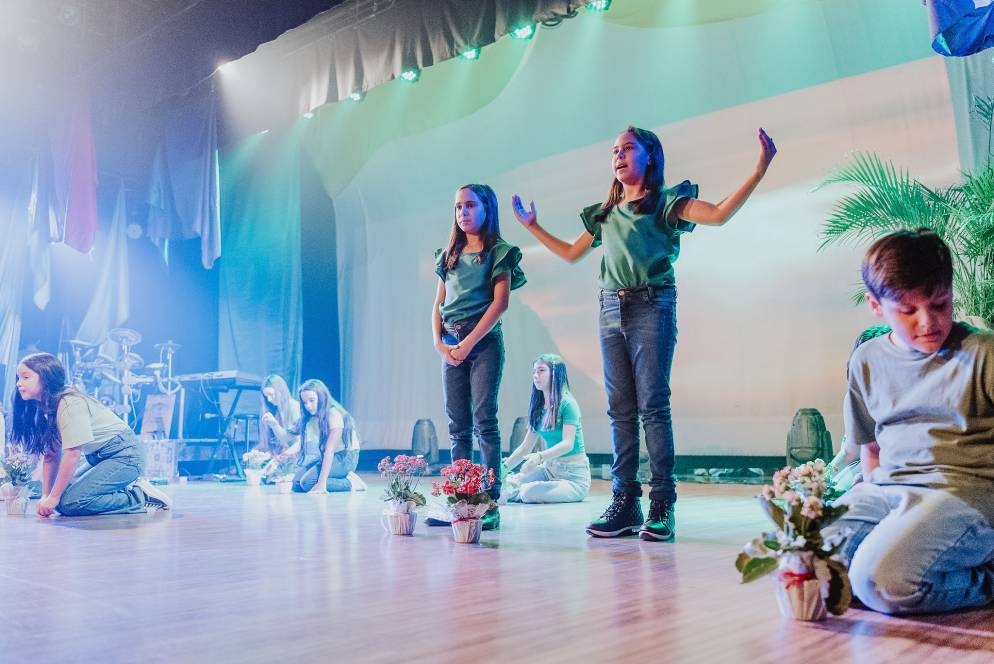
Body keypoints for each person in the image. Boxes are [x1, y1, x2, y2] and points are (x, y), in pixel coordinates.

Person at [512, 125, 776, 540]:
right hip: (609, 308)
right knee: (620, 409)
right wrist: (533, 225)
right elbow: (571, 253)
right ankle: (625, 502)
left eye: (627, 148)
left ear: (650, 155)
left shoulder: (668, 202)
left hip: (652, 305)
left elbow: (719, 214)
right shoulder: (605, 212)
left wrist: (759, 169)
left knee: (652, 406)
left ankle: (662, 504)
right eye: (614, 150)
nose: (618, 156)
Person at [825, 229, 994, 614]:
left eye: (940, 304)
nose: (928, 322)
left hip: (965, 494)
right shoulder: (866, 360)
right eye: (908, 310)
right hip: (888, 491)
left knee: (881, 582)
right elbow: (870, 450)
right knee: (805, 560)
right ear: (876, 306)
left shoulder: (984, 354)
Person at [431, 183, 526, 530]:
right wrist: (440, 344)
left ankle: (489, 502)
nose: (463, 212)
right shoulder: (448, 254)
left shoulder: (498, 252)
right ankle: (461, 500)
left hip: (482, 343)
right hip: (452, 343)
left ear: (487, 208)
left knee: (484, 420)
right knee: (458, 426)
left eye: (470, 205)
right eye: (458, 207)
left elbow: (500, 303)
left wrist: (469, 343)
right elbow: (438, 305)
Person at [9, 352, 171, 517]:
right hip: (99, 458)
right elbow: (51, 455)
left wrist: (53, 497)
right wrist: (46, 495)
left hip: (125, 455)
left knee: (70, 503)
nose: (19, 384)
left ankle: (140, 496)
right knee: (60, 499)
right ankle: (116, 486)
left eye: (26, 377)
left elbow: (72, 455)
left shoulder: (69, 403)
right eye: (18, 378)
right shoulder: (46, 408)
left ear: (46, 377)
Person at [504, 354, 590, 504]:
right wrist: (503, 469)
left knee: (527, 492)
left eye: (541, 370)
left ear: (555, 373)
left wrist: (539, 457)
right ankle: (511, 492)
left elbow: (568, 444)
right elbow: (525, 448)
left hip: (573, 477)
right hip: (549, 469)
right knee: (506, 484)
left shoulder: (568, 403)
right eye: (534, 371)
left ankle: (516, 493)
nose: (535, 375)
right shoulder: (538, 407)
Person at [277, 379, 365, 493]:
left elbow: (329, 450)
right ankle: (332, 479)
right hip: (329, 456)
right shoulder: (309, 417)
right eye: (305, 402)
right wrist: (274, 424)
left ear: (321, 397)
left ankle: (351, 483)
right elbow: (287, 436)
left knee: (307, 483)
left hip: (345, 456)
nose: (308, 406)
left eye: (312, 400)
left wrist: (322, 483)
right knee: (297, 484)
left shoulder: (333, 414)